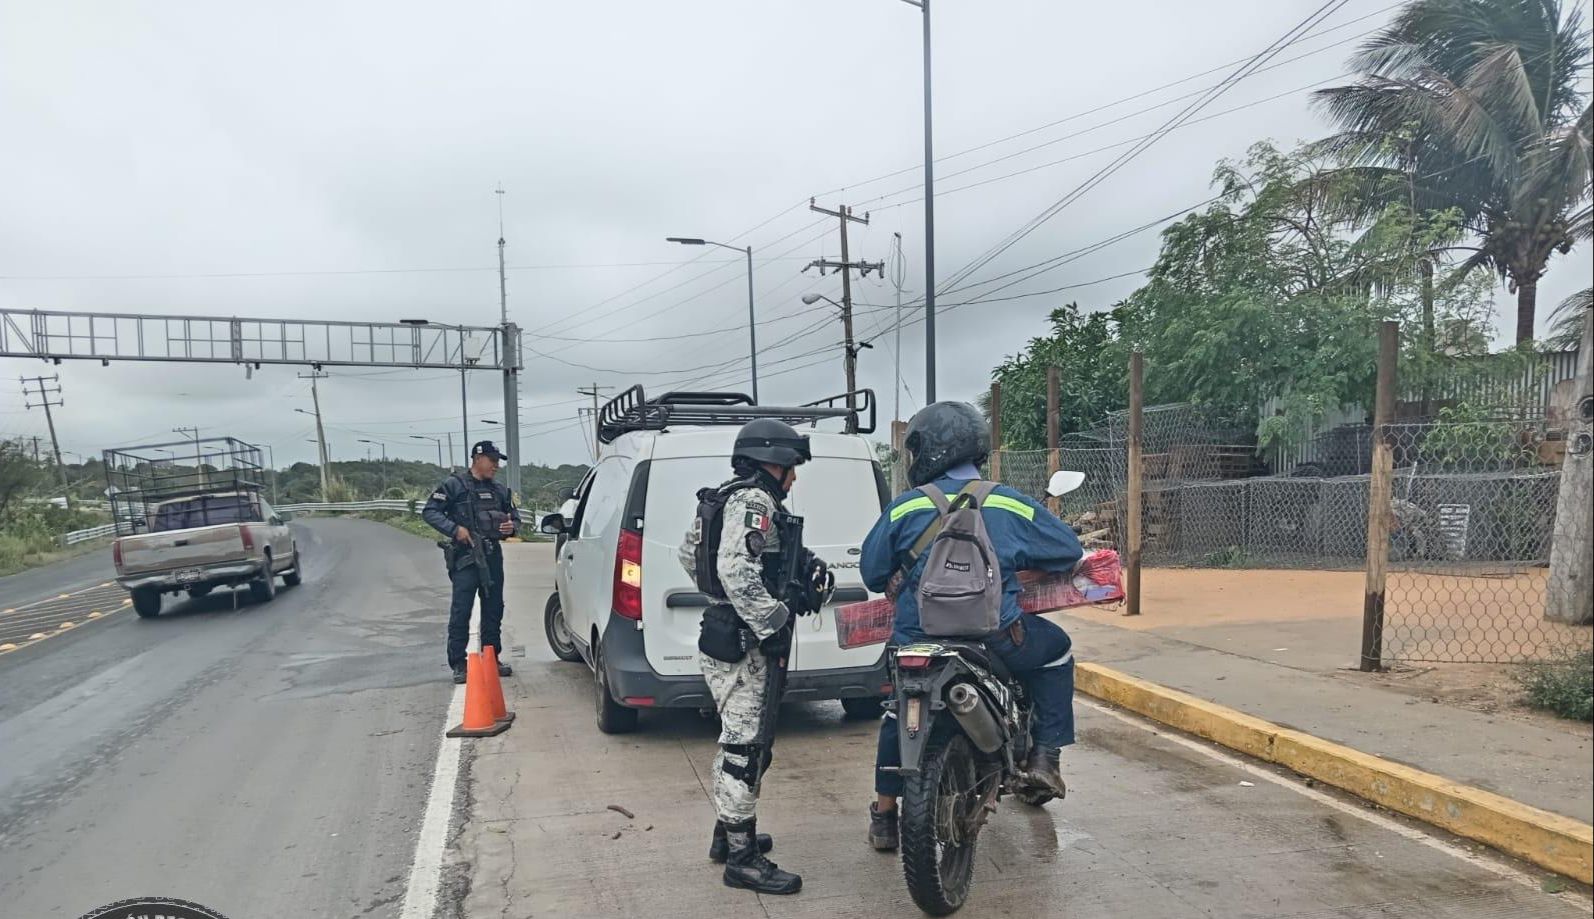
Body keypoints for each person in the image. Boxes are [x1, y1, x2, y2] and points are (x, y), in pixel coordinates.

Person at [859, 401, 1082, 851]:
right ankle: (1045, 756)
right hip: (996, 638)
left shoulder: (904, 508)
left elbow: (872, 572)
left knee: (899, 710)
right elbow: (1067, 551)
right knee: (1057, 651)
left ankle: (884, 816)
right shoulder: (1006, 501)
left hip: (917, 641)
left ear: (926, 451)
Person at [676, 418, 831, 895]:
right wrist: (774, 617)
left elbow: (689, 555)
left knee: (746, 742)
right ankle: (742, 860)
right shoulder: (753, 501)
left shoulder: (728, 496)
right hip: (746, 644)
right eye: (792, 467)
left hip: (730, 634)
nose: (794, 477)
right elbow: (735, 569)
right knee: (745, 749)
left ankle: (728, 834)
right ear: (774, 462)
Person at [422, 440, 520, 684]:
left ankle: (491, 657)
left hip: (492, 556)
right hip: (466, 557)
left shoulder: (500, 491)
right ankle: (459, 663)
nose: (496, 466)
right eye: (492, 460)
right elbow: (430, 511)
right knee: (462, 610)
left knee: (494, 608)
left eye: (498, 461)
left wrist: (511, 527)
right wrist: (455, 530)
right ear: (477, 459)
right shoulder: (454, 485)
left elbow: (515, 518)